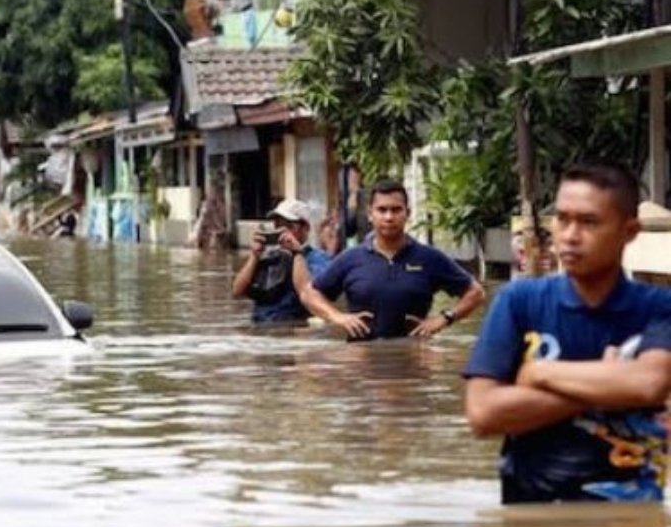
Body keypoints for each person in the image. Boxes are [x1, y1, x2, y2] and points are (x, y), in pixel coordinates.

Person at [463, 163, 671, 504]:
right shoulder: (520, 302)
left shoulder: (659, 307)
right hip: (531, 517)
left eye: (589, 222)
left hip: (630, 525)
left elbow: (649, 384)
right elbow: (484, 414)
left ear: (629, 231)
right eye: (562, 218)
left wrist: (538, 373)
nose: (570, 235)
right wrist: (610, 383)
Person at [298, 179, 486, 341]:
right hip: (360, 366)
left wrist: (444, 318)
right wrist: (338, 317)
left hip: (413, 359)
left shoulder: (429, 258)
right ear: (370, 214)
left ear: (408, 213)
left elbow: (476, 293)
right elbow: (309, 294)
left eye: (396, 210)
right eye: (382, 210)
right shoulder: (351, 258)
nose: (389, 217)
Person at [232, 198, 333, 325]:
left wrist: (297, 253)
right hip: (260, 326)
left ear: (305, 228)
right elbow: (237, 291)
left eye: (289, 227)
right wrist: (254, 257)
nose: (282, 232)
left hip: (291, 325)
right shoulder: (269, 257)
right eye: (277, 226)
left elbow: (310, 292)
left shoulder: (318, 259)